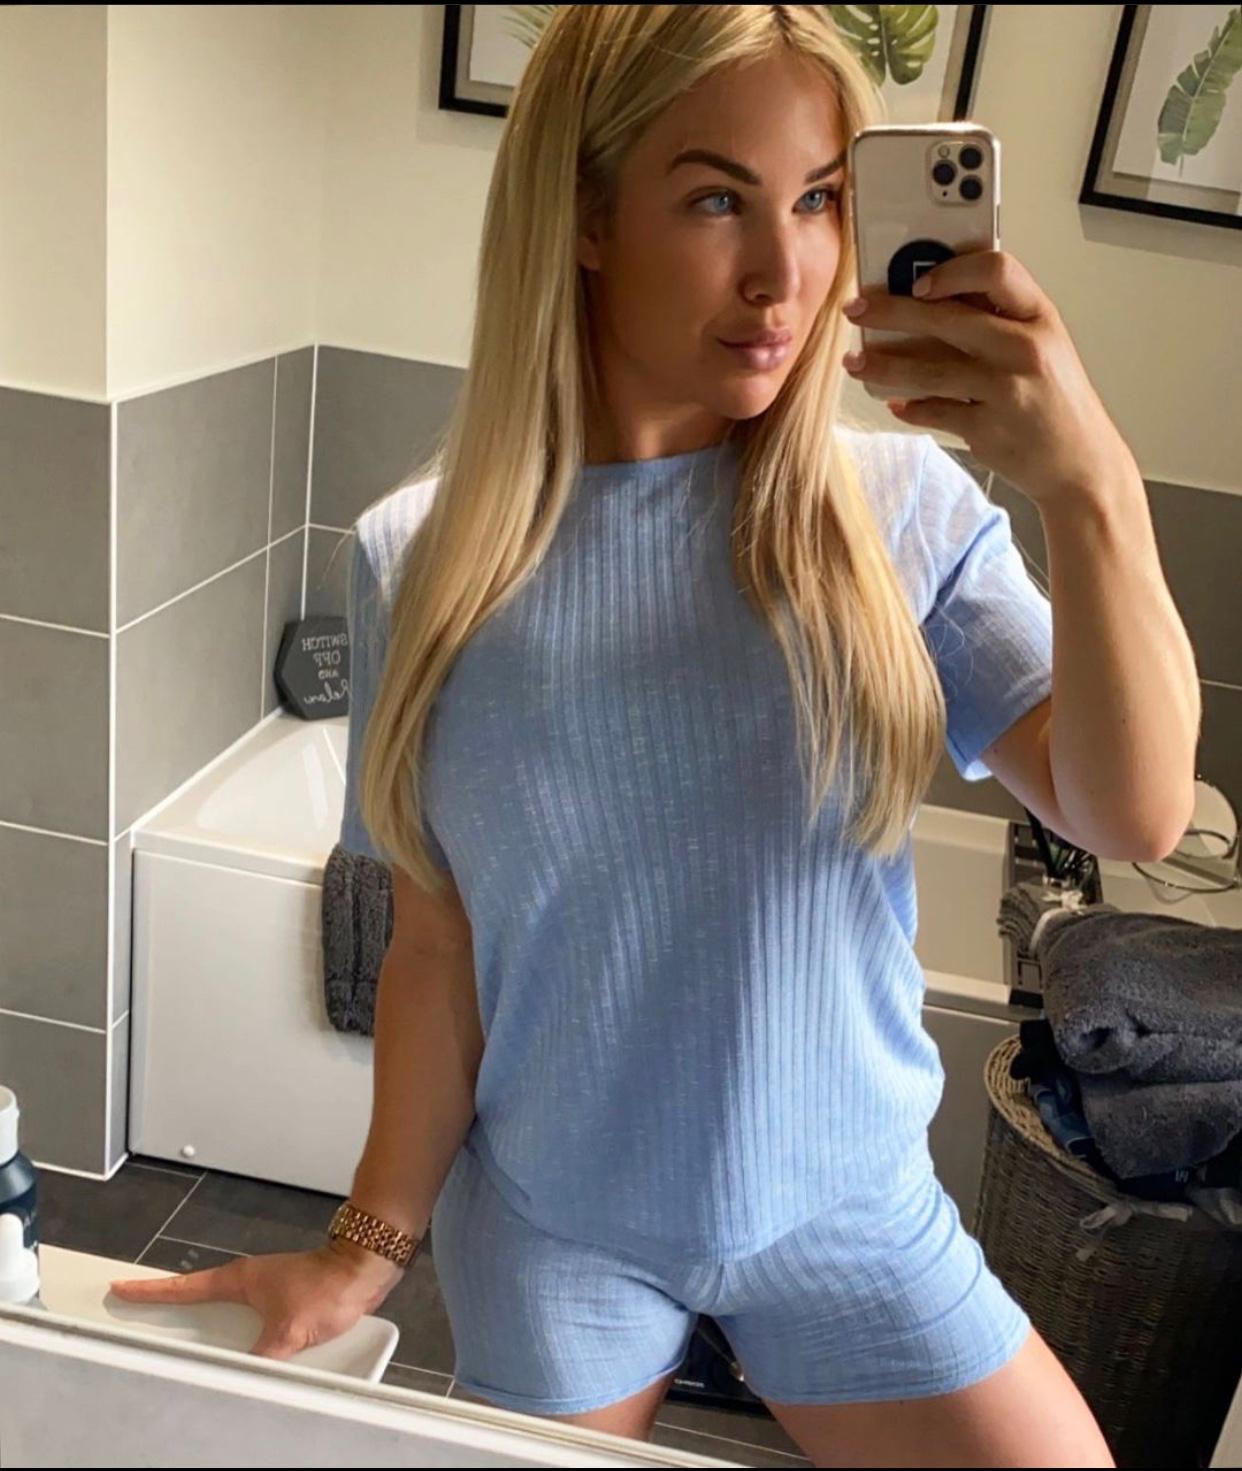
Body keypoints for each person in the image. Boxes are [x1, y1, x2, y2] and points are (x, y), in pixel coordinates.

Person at [112, 6, 1202, 1464]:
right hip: (559, 1226)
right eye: (714, 200)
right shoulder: (419, 561)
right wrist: (364, 1247)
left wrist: (1092, 485)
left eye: (819, 200)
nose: (785, 275)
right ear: (585, 217)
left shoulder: (904, 518)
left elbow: (1133, 813)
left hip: (847, 1210)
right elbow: (435, 946)